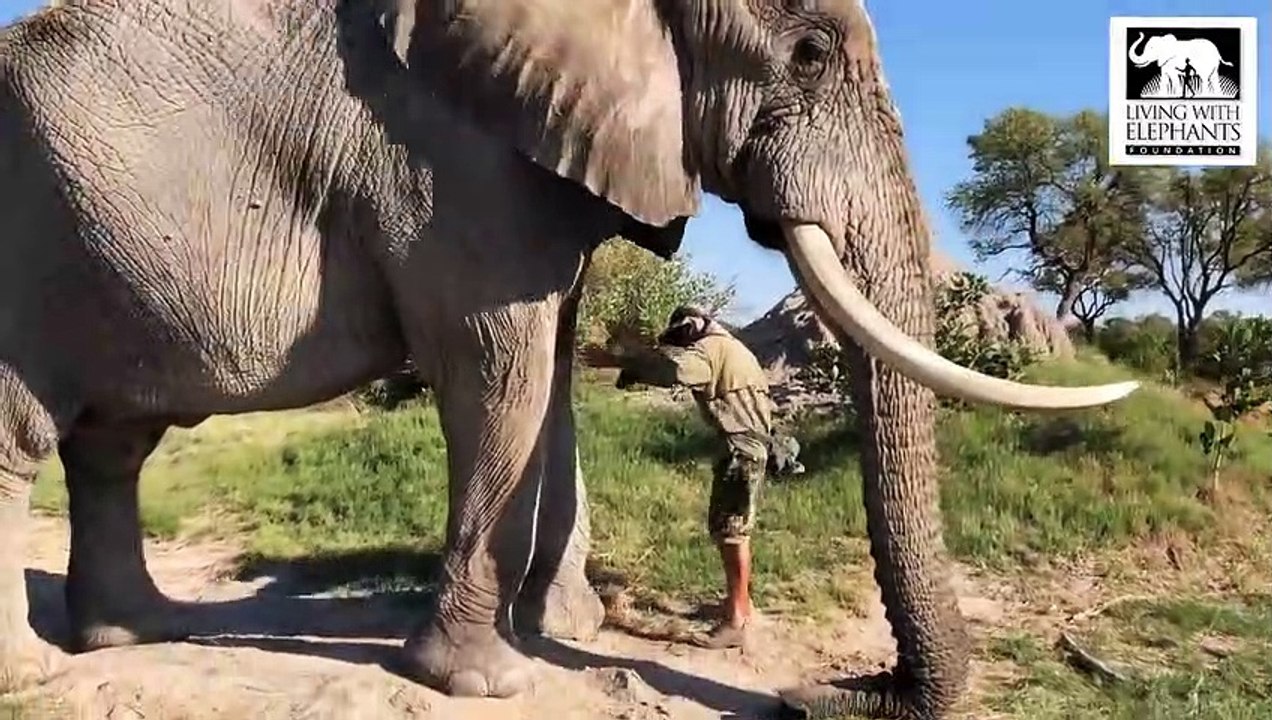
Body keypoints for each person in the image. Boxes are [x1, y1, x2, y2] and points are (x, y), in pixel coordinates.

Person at [586, 305, 775, 648]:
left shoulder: (709, 349)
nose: (681, 346)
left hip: (740, 451)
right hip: (751, 447)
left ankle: (736, 620)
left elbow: (675, 371)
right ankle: (742, 605)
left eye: (681, 339)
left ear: (692, 328)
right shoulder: (733, 347)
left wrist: (618, 360)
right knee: (737, 531)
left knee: (731, 533)